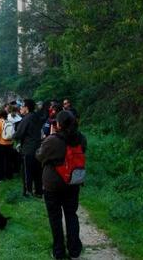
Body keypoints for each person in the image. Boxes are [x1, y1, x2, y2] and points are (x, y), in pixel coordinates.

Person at [36, 111, 87, 260]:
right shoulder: (80, 138)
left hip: (53, 184)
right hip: (72, 182)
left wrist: (48, 138)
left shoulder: (52, 140)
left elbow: (39, 155)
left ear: (58, 124)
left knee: (55, 218)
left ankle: (58, 251)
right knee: (71, 215)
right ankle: (74, 250)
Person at [14, 99, 44, 197]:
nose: (20, 108)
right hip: (38, 148)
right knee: (37, 171)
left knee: (27, 172)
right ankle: (39, 192)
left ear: (26, 108)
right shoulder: (36, 116)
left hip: (28, 149)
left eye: (22, 106)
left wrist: (13, 136)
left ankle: (27, 192)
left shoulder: (26, 118)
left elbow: (19, 134)